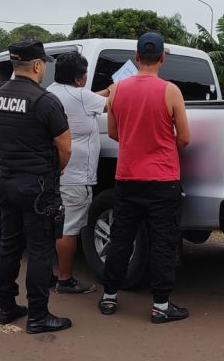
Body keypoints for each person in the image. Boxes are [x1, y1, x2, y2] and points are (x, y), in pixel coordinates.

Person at [98, 32, 191, 324]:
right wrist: (162, 146)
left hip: (127, 177)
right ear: (162, 58)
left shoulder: (118, 90)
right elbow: (185, 138)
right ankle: (160, 306)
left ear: (137, 57)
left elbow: (113, 133)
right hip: (162, 179)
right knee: (163, 241)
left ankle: (109, 296)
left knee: (121, 237)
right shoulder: (171, 91)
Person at [0, 40, 73, 334]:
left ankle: (6, 307)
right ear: (37, 65)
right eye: (44, 65)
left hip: (8, 182)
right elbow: (65, 146)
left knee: (9, 245)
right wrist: (55, 171)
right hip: (37, 186)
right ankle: (38, 315)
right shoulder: (44, 100)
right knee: (39, 250)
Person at [46, 52, 110, 294]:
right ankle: (65, 279)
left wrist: (105, 91)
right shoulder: (83, 96)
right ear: (79, 79)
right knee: (69, 228)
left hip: (53, 173)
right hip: (75, 176)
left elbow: (90, 98)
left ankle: (48, 273)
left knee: (52, 225)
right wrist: (119, 88)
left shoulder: (51, 91)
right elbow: (110, 104)